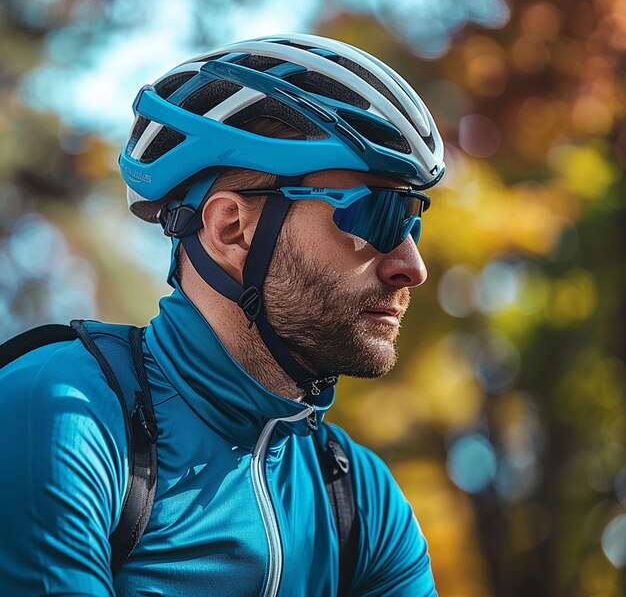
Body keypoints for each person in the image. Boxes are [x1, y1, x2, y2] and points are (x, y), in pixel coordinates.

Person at [0, 34, 445, 596]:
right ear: (231, 229)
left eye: (413, 219)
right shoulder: (64, 417)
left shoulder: (361, 502)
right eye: (378, 216)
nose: (412, 265)